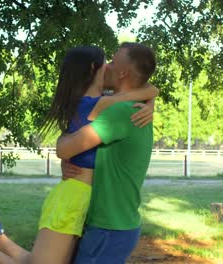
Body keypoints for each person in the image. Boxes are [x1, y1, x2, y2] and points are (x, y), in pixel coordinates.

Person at [0, 45, 158, 264]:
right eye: (106, 62)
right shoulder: (103, 105)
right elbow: (144, 91)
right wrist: (151, 96)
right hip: (74, 196)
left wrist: (151, 100)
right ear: (93, 68)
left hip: (85, 199)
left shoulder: (93, 102)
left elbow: (138, 93)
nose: (109, 66)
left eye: (113, 61)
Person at [57, 42, 157, 264]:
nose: (106, 66)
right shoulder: (133, 106)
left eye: (112, 62)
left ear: (123, 72)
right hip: (115, 225)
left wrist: (67, 154)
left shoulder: (119, 112)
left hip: (108, 227)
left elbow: (63, 148)